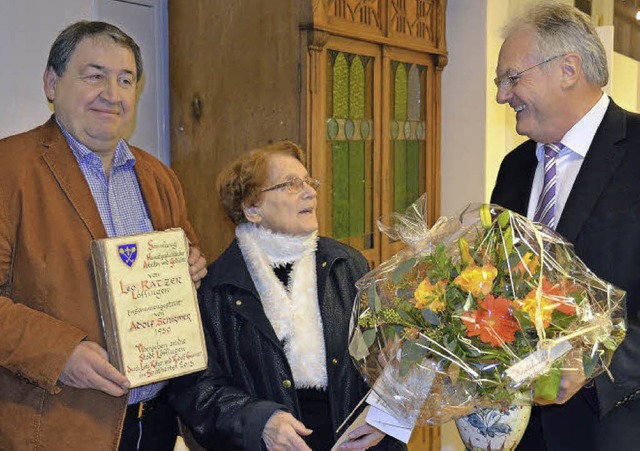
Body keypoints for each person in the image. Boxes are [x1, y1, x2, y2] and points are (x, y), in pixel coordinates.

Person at [0, 21, 207, 450]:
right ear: (52, 83)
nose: (112, 93)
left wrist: (191, 269)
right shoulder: (9, 169)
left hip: (156, 424)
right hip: (58, 428)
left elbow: (184, 267)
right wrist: (60, 355)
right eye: (94, 75)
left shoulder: (159, 177)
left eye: (125, 79)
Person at [168, 141, 405, 450]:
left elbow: (393, 355)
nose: (310, 192)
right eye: (291, 185)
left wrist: (386, 417)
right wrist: (260, 421)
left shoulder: (348, 265)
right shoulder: (215, 290)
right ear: (252, 209)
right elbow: (196, 391)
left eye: (309, 182)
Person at [490, 2, 640, 450]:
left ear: (568, 69)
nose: (502, 95)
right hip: (522, 433)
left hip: (617, 428)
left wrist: (600, 362)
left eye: (512, 78)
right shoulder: (514, 168)